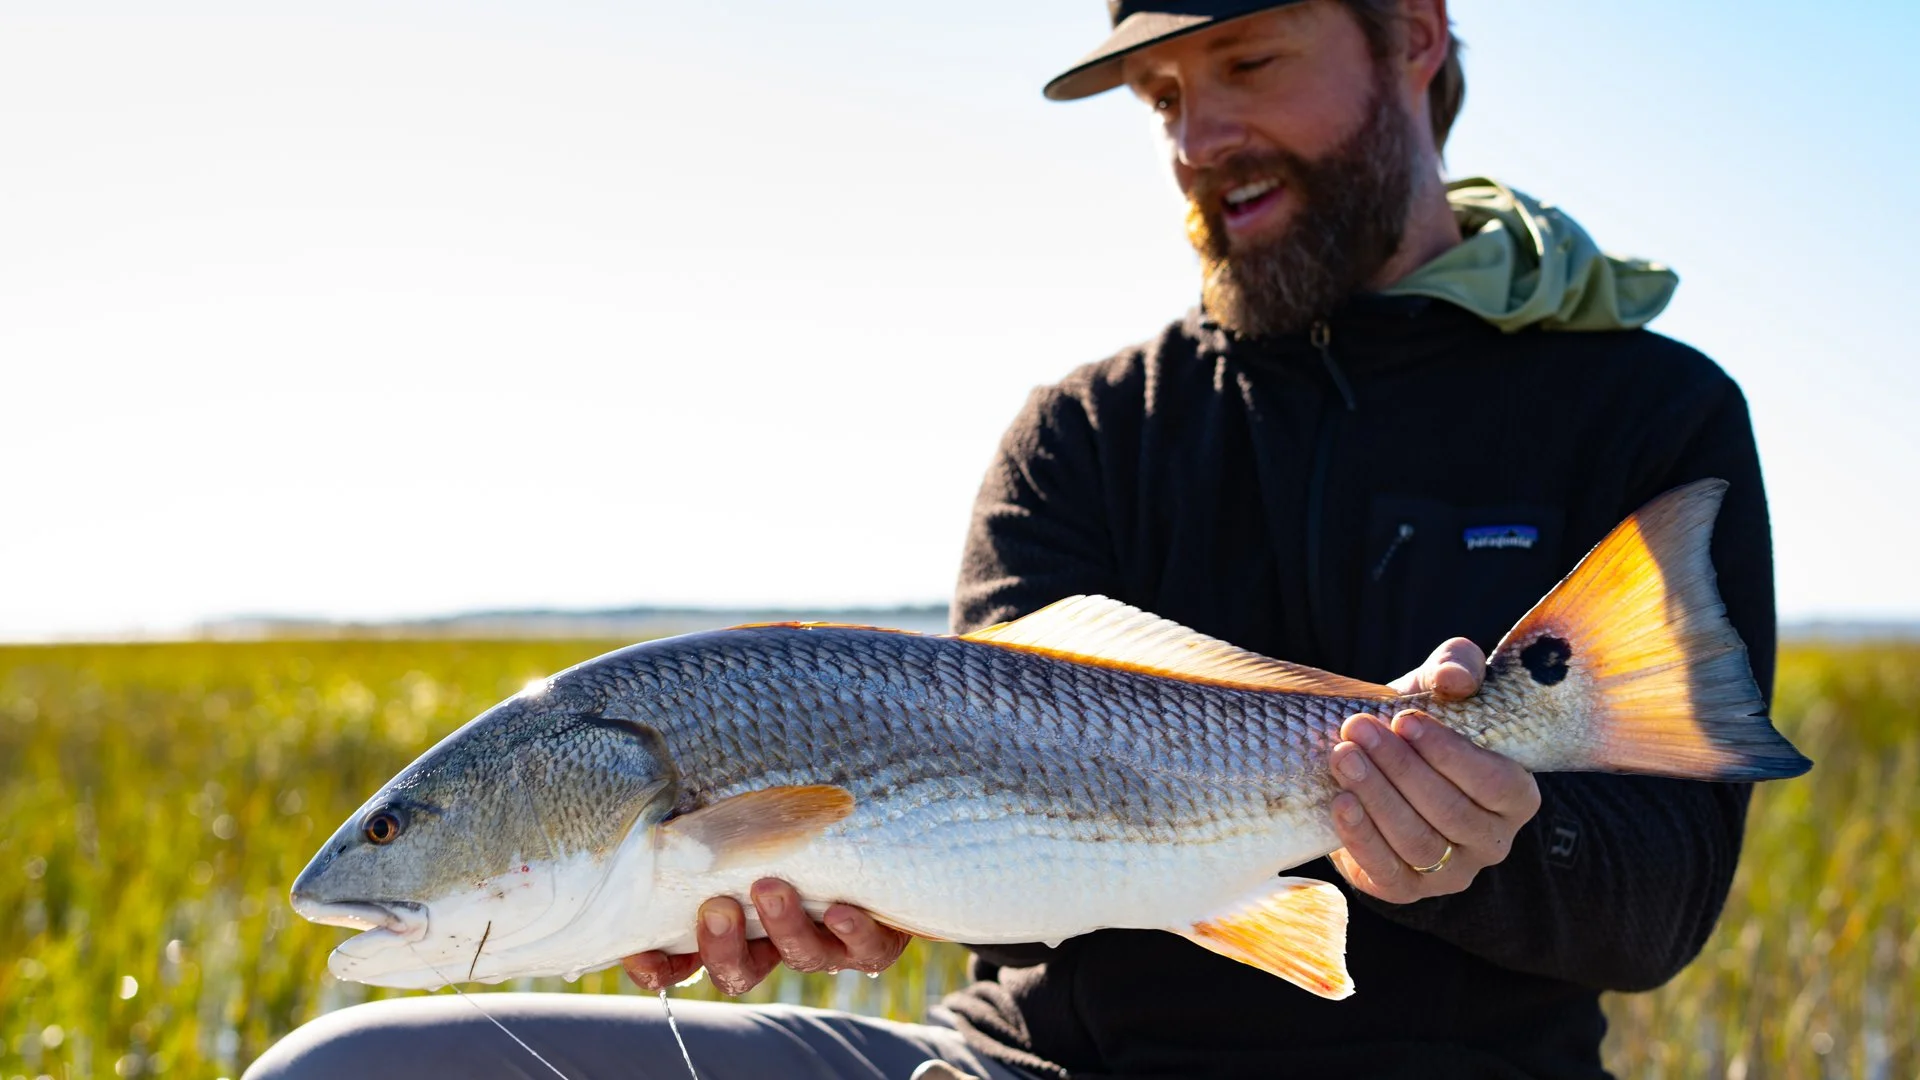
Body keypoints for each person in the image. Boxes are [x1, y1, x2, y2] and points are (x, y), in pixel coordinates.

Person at [246, 1, 1774, 1077]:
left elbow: (1659, 910)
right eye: (1165, 97)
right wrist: (821, 911)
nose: (1202, 135)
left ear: (1415, 36)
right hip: (1016, 1071)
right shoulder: (1085, 432)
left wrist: (1486, 831)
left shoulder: (1639, 414)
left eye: (1246, 59)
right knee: (356, 1072)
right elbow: (987, 842)